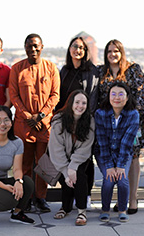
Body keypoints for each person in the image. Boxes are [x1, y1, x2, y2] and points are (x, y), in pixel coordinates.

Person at [9, 33, 60, 212]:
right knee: (23, 165)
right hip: (23, 125)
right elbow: (13, 96)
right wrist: (28, 116)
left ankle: (41, 197)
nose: (33, 49)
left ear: (42, 47)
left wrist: (40, 116)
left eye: (36, 46)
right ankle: (25, 197)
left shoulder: (51, 68)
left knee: (43, 162)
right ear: (25, 48)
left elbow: (55, 95)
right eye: (29, 46)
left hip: (45, 124)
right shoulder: (16, 69)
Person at [98, 39, 144, 214]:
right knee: (113, 159)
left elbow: (142, 96)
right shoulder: (101, 71)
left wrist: (130, 117)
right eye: (109, 51)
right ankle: (119, 200)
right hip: (109, 122)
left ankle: (132, 199)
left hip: (131, 122)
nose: (113, 54)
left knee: (132, 158)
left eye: (116, 51)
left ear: (122, 52)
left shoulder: (133, 69)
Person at [56, 37, 100, 209]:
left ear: (86, 51)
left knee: (85, 160)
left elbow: (94, 97)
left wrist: (87, 120)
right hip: (66, 122)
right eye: (74, 46)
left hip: (84, 121)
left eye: (81, 47)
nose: (78, 50)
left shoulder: (92, 71)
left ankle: (86, 195)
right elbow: (59, 97)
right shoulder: (64, 70)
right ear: (69, 49)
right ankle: (70, 196)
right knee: (68, 158)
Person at [95, 82, 139, 222]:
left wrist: (119, 166)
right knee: (108, 180)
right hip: (104, 153)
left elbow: (127, 143)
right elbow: (101, 142)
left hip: (123, 154)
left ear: (127, 98)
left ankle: (122, 209)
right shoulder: (100, 113)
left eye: (121, 94)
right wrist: (109, 165)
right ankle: (105, 209)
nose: (117, 98)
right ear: (108, 97)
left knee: (122, 180)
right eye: (113, 94)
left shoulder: (133, 114)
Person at [49, 90, 95, 226]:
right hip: (61, 159)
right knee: (67, 179)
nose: (80, 106)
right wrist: (66, 170)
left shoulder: (90, 121)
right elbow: (56, 149)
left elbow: (86, 147)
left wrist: (73, 167)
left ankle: (82, 210)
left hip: (81, 158)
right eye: (77, 102)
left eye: (84, 103)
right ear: (71, 103)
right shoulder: (58, 121)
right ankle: (66, 207)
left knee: (79, 175)